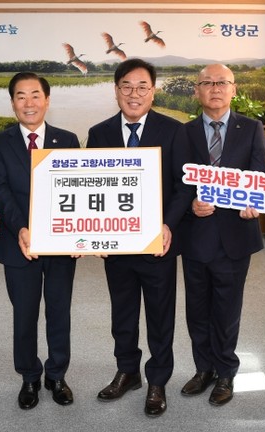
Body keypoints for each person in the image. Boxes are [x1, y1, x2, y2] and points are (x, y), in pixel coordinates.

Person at [86, 58, 192, 417]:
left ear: (153, 91)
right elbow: (91, 189)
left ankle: (157, 380)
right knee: (123, 313)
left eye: (142, 87)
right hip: (115, 245)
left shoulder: (174, 131)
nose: (134, 94)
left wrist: (167, 225)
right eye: (126, 87)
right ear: (116, 91)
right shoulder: (99, 133)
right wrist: (93, 232)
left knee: (160, 315)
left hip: (157, 244)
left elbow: (183, 187)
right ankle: (127, 371)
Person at [0, 72, 80, 410]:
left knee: (59, 311)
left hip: (59, 243)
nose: (29, 103)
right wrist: (22, 228)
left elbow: (77, 188)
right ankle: (29, 376)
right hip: (18, 243)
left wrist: (78, 233)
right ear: (13, 102)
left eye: (35, 95)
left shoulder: (67, 140)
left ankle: (57, 375)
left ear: (47, 100)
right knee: (24, 314)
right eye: (21, 96)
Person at [180, 64, 265, 406]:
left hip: (235, 235)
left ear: (233, 89)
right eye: (207, 83)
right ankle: (203, 369)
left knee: (227, 310)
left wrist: (254, 199)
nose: (215, 88)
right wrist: (191, 204)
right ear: (197, 91)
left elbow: (259, 172)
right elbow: (176, 181)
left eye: (222, 83)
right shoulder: (184, 132)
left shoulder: (252, 128)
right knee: (197, 309)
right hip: (196, 235)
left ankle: (226, 372)